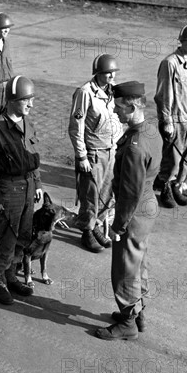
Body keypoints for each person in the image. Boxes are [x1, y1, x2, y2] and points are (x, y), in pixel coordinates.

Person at [95, 81, 162, 341]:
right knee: (139, 264)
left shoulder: (135, 145)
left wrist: (118, 225)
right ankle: (139, 313)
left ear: (133, 106)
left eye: (119, 107)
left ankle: (128, 322)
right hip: (147, 207)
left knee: (125, 270)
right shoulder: (150, 130)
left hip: (133, 213)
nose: (115, 111)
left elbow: (130, 192)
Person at [0, 75, 42, 305]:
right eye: (26, 100)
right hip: (9, 189)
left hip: (28, 188)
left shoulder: (28, 123)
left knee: (23, 236)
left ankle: (11, 274)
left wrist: (38, 184)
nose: (31, 104)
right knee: (7, 236)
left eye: (31, 99)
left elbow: (33, 158)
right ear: (13, 100)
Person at [68, 54, 122, 253]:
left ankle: (97, 224)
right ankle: (87, 230)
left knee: (107, 194)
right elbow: (76, 126)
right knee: (90, 194)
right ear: (98, 73)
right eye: (107, 72)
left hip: (111, 150)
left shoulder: (112, 92)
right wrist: (81, 156)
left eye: (113, 72)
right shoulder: (85, 93)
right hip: (93, 152)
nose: (111, 76)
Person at [154, 24, 187, 208]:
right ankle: (165, 187)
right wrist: (166, 121)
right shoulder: (170, 63)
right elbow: (163, 94)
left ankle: (176, 186)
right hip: (174, 119)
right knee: (172, 160)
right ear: (181, 41)